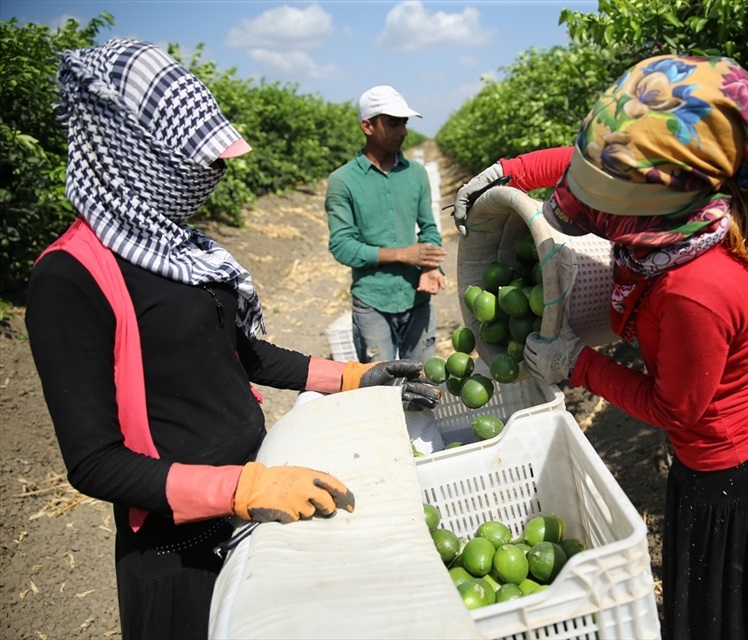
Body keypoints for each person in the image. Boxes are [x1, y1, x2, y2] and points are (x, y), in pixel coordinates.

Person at [25, 39, 439, 640]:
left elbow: (245, 355)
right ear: (130, 150)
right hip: (179, 550)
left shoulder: (179, 249)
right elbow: (94, 462)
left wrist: (351, 377)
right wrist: (237, 487)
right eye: (197, 161)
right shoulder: (70, 277)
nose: (214, 174)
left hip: (254, 505)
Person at [455, 55, 748, 640]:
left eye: (610, 189)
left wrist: (578, 363)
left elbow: (677, 410)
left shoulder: (695, 289)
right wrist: (509, 171)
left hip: (737, 468)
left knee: (718, 622)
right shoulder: (681, 211)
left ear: (659, 191)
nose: (589, 201)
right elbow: (590, 170)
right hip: (722, 451)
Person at [326, 85, 446, 364]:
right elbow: (342, 246)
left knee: (422, 383)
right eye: (393, 123)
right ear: (367, 126)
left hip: (416, 298)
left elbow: (429, 227)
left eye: (404, 123)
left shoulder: (416, 173)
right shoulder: (343, 181)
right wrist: (404, 255)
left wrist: (429, 265)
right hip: (372, 302)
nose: (403, 131)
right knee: (380, 389)